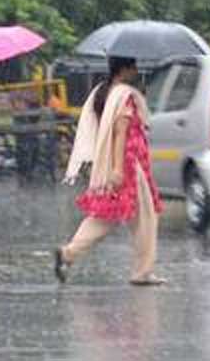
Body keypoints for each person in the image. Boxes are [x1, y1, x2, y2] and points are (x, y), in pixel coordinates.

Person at [54, 56, 166, 286]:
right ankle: (142, 271)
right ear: (123, 69)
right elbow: (120, 132)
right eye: (133, 66)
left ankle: (68, 253)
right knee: (145, 218)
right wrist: (117, 169)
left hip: (122, 164)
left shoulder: (105, 92)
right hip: (129, 164)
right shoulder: (124, 96)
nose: (136, 70)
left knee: (106, 216)